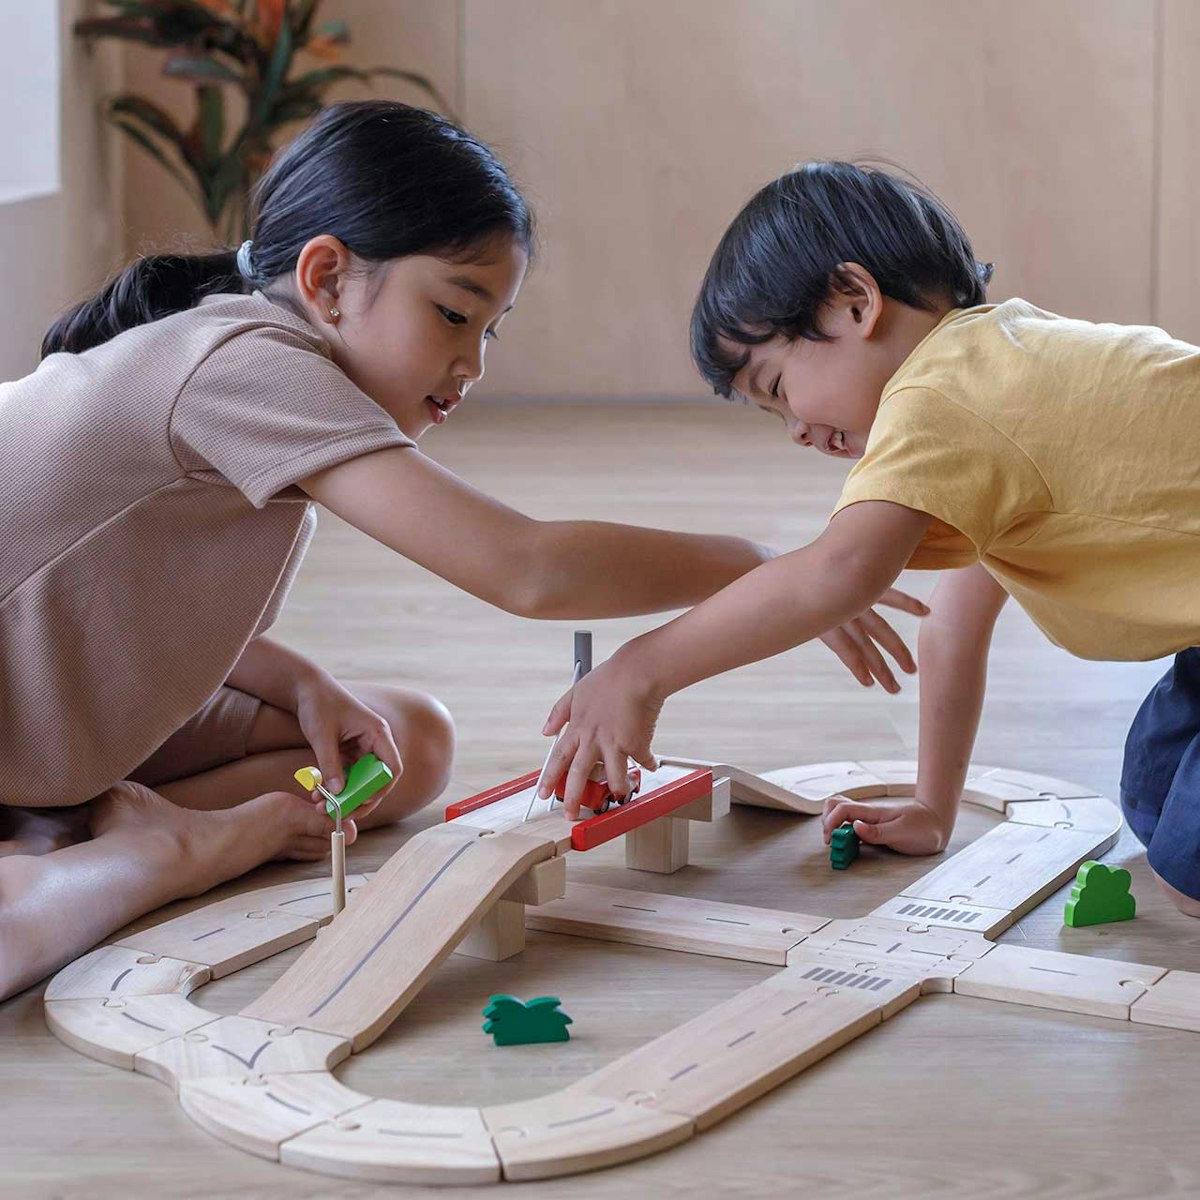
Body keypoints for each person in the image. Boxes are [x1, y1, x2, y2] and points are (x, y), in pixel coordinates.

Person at [0, 111, 922, 1001]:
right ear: (326, 277)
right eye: (451, 314)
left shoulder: (247, 362)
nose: (473, 363)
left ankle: (66, 830)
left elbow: (103, 587)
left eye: (489, 330)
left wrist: (296, 681)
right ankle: (159, 850)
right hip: (26, 716)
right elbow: (527, 568)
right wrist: (763, 565)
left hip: (47, 715)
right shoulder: (246, 364)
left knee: (410, 740)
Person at [541, 160, 1200, 920]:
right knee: (1152, 809)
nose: (794, 431)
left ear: (856, 301)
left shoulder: (943, 396)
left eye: (778, 388)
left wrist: (639, 670)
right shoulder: (995, 388)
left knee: (1186, 878)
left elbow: (835, 572)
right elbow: (955, 624)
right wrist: (933, 806)